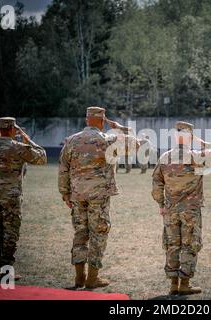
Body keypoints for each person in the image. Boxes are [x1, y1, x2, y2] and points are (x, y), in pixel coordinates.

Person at [58, 107, 139, 290]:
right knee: (98, 234)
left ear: (87, 120)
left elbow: (63, 168)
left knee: (80, 234)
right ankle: (92, 279)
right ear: (102, 121)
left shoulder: (71, 140)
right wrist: (121, 129)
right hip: (99, 196)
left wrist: (65, 192)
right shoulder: (108, 140)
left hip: (77, 195)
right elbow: (135, 145)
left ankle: (79, 277)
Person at [152, 121, 211, 295]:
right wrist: (202, 142)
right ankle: (184, 284)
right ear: (190, 137)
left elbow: (156, 184)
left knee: (172, 245)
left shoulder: (165, 157)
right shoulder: (197, 156)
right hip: (190, 210)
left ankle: (173, 285)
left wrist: (161, 205)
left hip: (170, 210)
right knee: (189, 245)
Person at [0, 117, 47, 283]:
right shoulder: (19, 147)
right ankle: (6, 273)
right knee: (10, 235)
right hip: (12, 199)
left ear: (0, 129)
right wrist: (27, 138)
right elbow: (42, 157)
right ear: (14, 130)